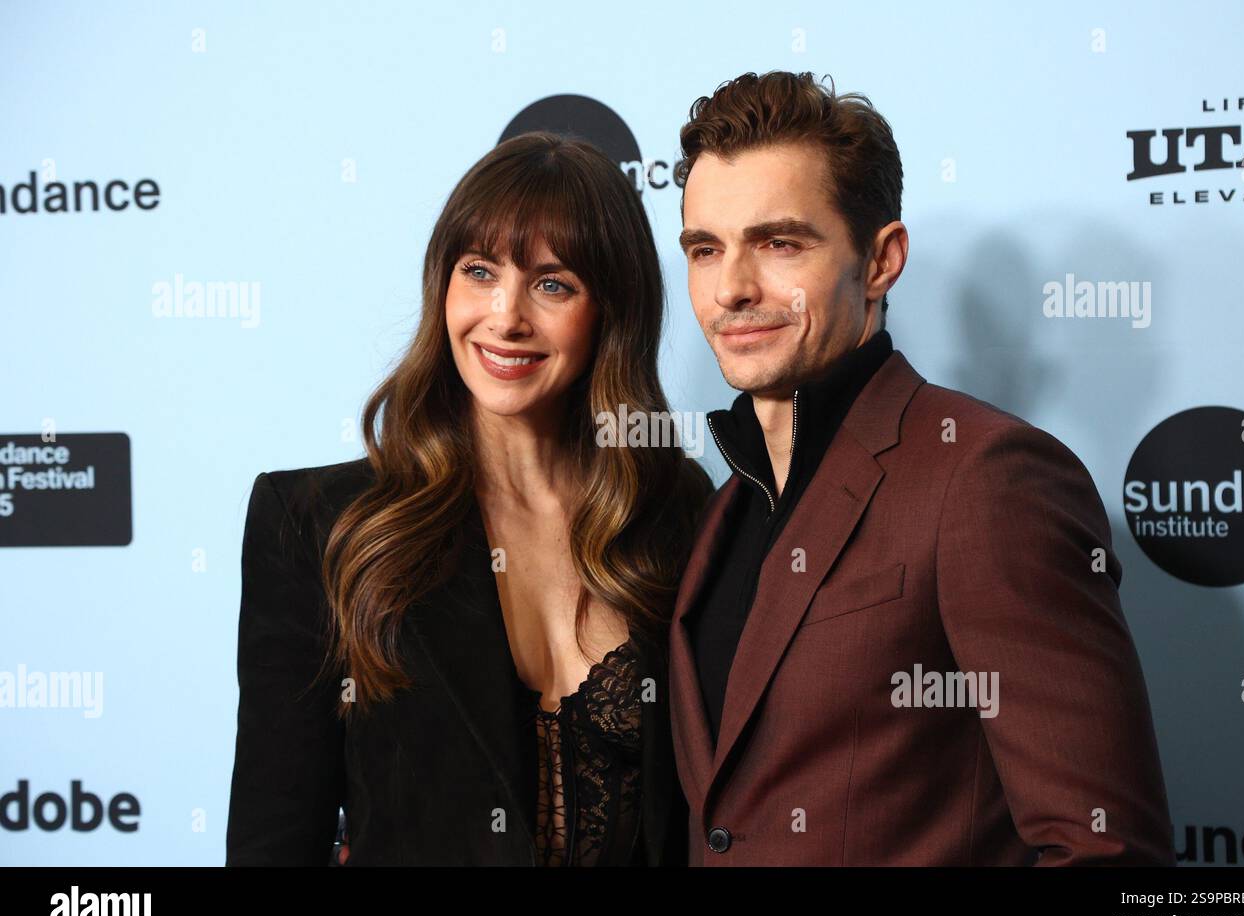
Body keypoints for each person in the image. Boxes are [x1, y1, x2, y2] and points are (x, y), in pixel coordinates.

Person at [669, 70, 1175, 865]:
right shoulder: (721, 511)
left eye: (779, 244)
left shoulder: (986, 478)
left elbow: (1108, 852)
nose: (732, 288)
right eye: (706, 249)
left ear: (880, 261)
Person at [225, 132, 713, 866]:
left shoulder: (674, 508)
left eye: (553, 284)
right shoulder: (320, 523)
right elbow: (275, 834)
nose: (506, 315)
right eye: (479, 271)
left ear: (611, 309)